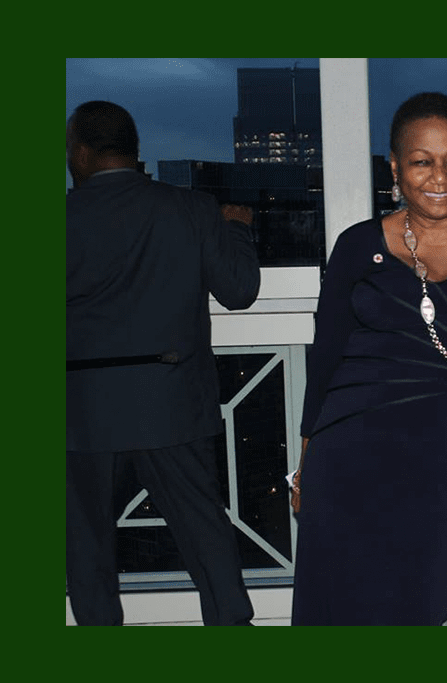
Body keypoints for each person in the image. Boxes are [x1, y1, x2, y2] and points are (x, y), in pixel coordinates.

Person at [289, 92, 447, 625]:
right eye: (421, 161)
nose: (440, 176)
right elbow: (327, 355)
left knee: (434, 596)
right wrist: (307, 459)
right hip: (352, 453)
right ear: (395, 167)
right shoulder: (358, 246)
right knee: (350, 604)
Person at [66, 101, 260, 626]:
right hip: (172, 403)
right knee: (208, 542)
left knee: (88, 557)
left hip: (82, 413)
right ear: (134, 153)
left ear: (80, 153)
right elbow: (240, 291)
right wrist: (238, 229)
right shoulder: (191, 209)